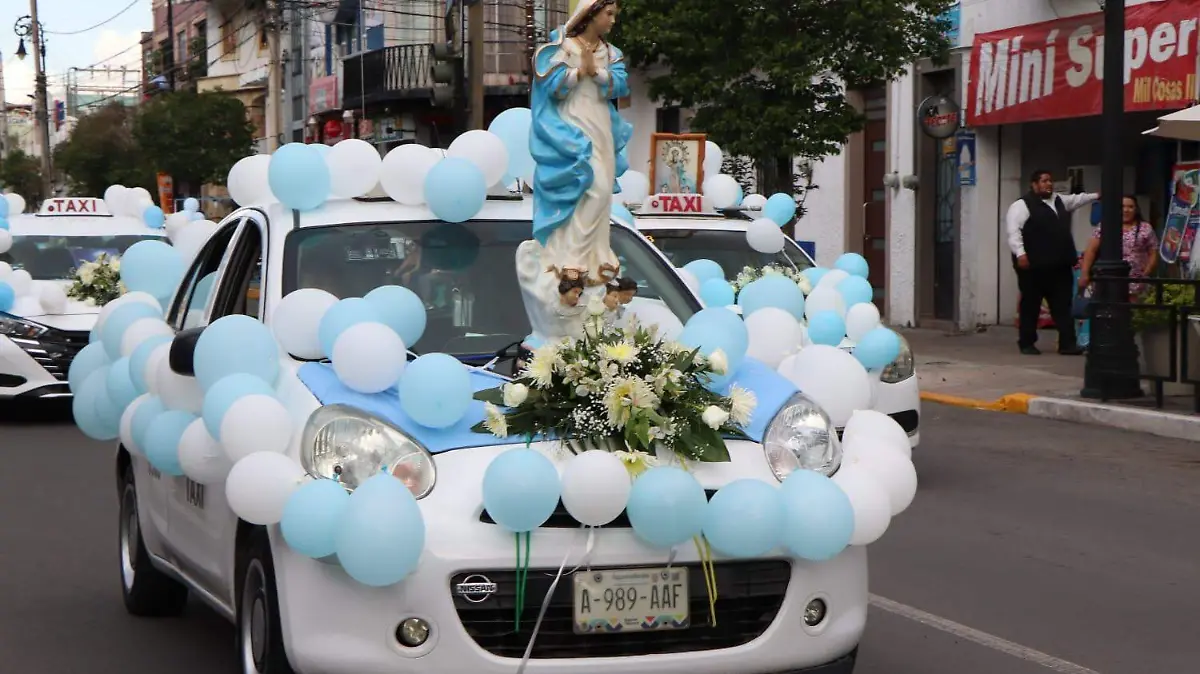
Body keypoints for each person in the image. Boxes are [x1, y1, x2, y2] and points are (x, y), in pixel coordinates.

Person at [529, 0, 632, 287]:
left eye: (614, 15)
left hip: (600, 125)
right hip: (571, 128)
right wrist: (579, 71)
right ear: (591, 14)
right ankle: (571, 258)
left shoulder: (610, 52)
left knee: (602, 195)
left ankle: (596, 257)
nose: (612, 20)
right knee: (589, 188)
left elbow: (621, 85)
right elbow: (552, 88)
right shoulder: (563, 47)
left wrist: (596, 71)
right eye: (608, 14)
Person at [1005, 169, 1097, 355]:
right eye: (1044, 181)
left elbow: (1076, 199)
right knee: (1031, 305)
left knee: (1063, 305)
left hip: (1059, 265)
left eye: (1050, 181)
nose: (1048, 184)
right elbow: (1014, 232)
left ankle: (1067, 344)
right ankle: (1027, 342)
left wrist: (1097, 196)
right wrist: (1021, 254)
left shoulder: (1059, 200)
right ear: (1034, 184)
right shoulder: (1022, 205)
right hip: (1033, 266)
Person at [1079, 195, 1158, 299]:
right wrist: (1085, 273)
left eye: (1130, 207)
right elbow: (1091, 250)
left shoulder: (1145, 228)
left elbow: (1153, 252)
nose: (1126, 210)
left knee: (1133, 311)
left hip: (1137, 280)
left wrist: (1146, 272)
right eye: (1122, 206)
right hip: (1109, 278)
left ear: (1136, 209)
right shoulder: (1106, 226)